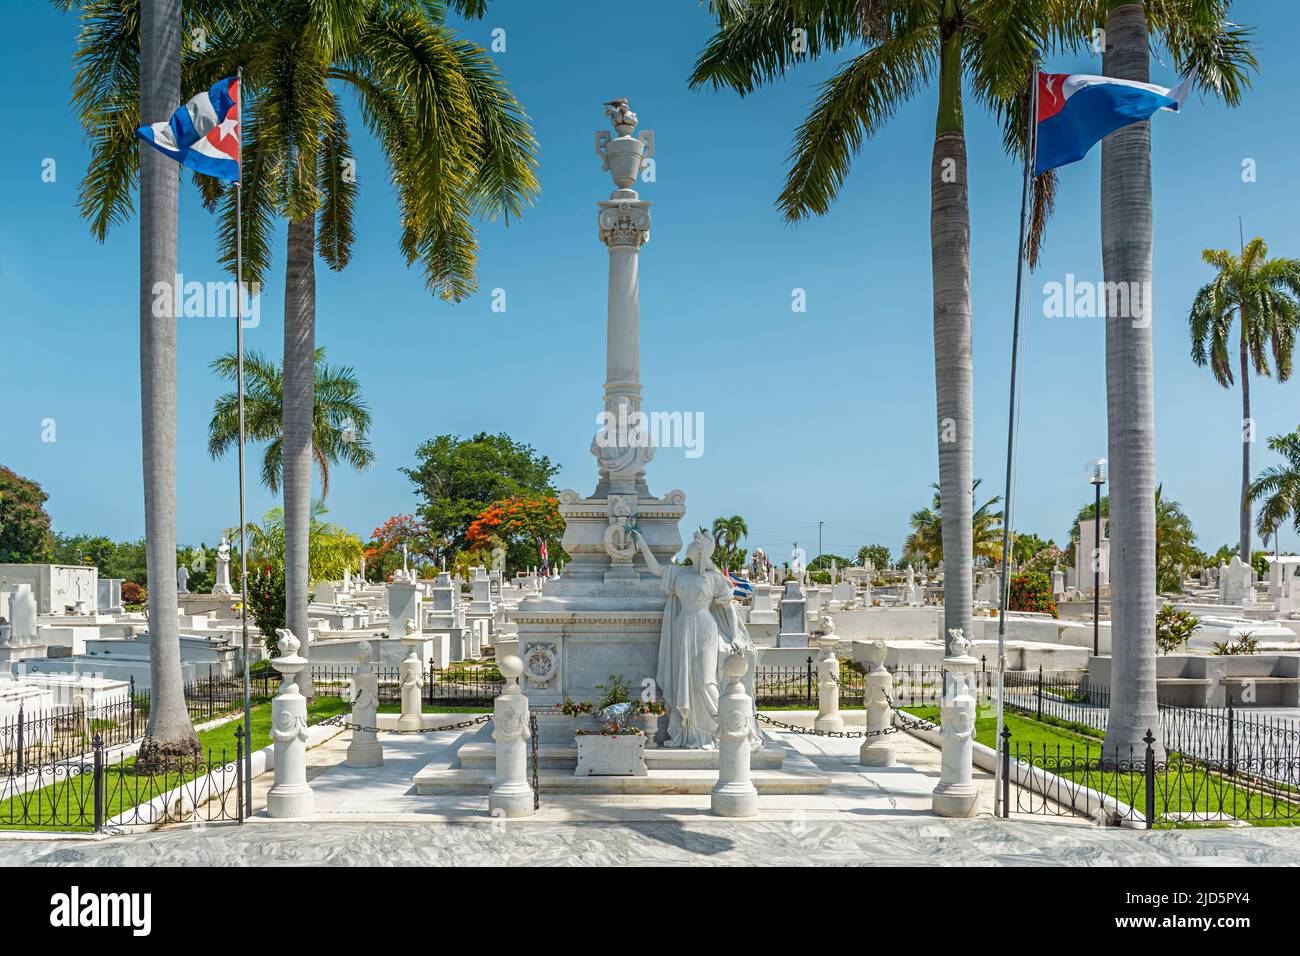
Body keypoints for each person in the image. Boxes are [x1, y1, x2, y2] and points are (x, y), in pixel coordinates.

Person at [633, 528, 757, 748]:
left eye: (693, 542)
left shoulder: (712, 577)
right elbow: (655, 568)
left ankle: (726, 726)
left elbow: (728, 608)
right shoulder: (679, 574)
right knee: (684, 680)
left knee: (704, 679)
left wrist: (736, 636)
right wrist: (642, 542)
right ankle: (688, 732)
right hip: (682, 627)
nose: (688, 545)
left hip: (705, 627)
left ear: (700, 550)